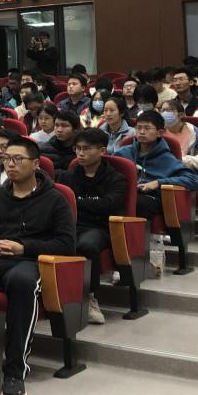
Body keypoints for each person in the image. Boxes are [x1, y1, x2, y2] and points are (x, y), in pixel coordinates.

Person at [0, 137, 75, 395]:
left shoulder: (55, 200)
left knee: (22, 282)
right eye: (6, 158)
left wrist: (24, 248)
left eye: (17, 159)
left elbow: (67, 245)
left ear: (35, 164)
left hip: (30, 261)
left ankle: (14, 371)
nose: (10, 164)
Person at [115, 110, 198, 275]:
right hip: (125, 195)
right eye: (139, 128)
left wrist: (158, 183)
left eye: (147, 128)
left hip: (151, 199)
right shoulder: (123, 153)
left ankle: (133, 261)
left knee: (137, 204)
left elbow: (193, 179)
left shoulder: (167, 158)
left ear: (160, 132)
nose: (141, 132)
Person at [66, 129, 127, 325]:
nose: (80, 153)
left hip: (101, 228)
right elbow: (61, 204)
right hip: (72, 224)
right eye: (77, 148)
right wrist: (91, 205)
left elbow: (109, 205)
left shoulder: (116, 178)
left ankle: (90, 298)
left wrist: (76, 203)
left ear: (102, 151)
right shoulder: (68, 177)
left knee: (86, 245)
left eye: (86, 149)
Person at [160, 99, 198, 171]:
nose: (164, 113)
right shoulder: (158, 132)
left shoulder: (195, 133)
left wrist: (185, 160)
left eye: (168, 110)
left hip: (184, 171)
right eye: (162, 110)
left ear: (181, 115)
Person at [39, 110, 81, 180]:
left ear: (75, 129)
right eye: (56, 125)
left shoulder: (82, 151)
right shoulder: (44, 150)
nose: (59, 130)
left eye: (64, 126)